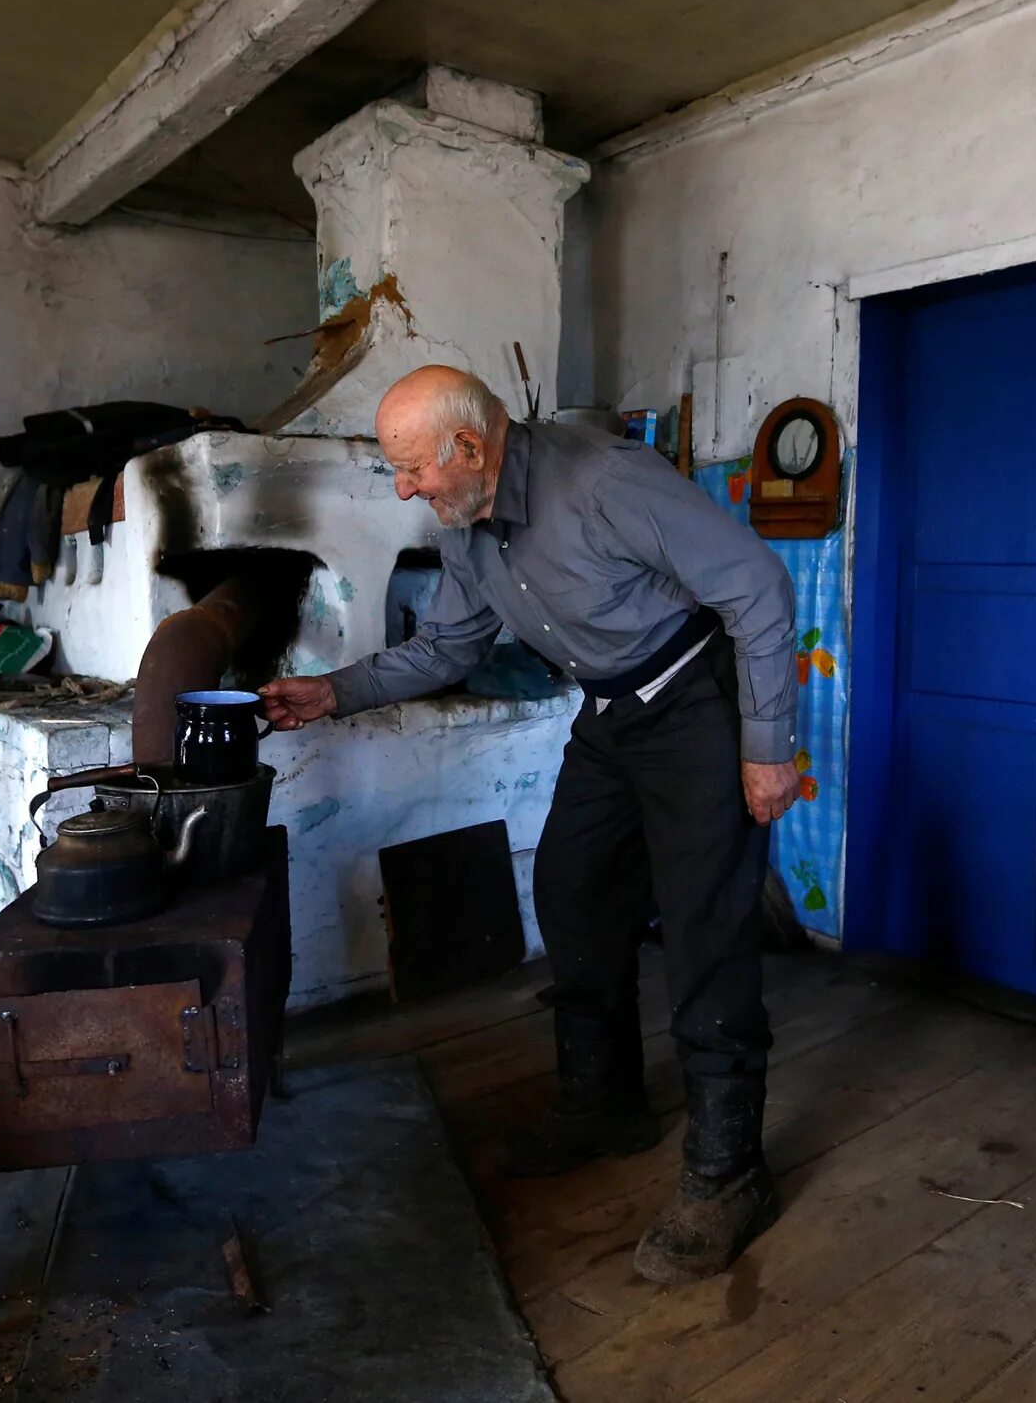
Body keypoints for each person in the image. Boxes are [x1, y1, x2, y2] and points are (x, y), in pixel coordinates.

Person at [260, 365, 801, 1283]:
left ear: (470, 449)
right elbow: (447, 649)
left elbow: (756, 584)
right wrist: (332, 692)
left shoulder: (602, 480)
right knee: (574, 892)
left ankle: (727, 1174)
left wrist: (766, 746)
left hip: (695, 710)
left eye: (412, 469)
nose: (405, 490)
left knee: (706, 933)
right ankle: (605, 1106)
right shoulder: (469, 528)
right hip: (612, 715)